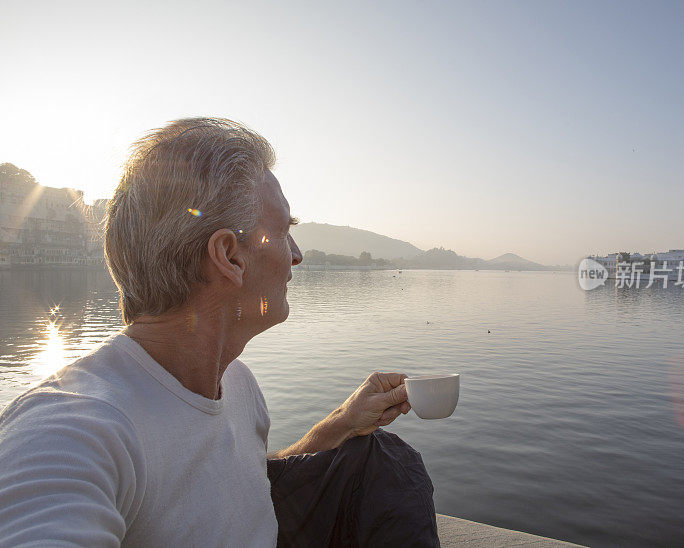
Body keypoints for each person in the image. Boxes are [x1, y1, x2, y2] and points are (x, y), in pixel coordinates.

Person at [0, 118, 437, 546]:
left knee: (382, 457)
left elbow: (241, 483)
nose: (298, 256)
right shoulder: (70, 434)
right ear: (229, 255)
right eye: (284, 231)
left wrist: (343, 422)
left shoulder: (238, 384)